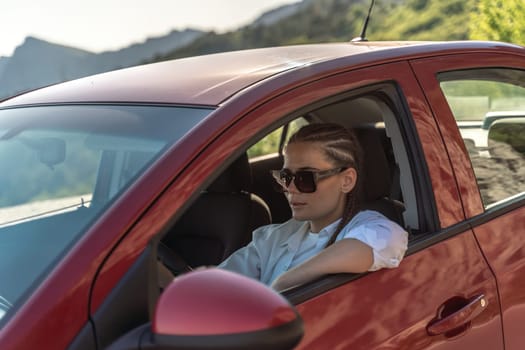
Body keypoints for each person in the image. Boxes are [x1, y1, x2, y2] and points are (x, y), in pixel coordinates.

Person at [218, 123, 408, 291]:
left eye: (306, 178)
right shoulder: (272, 238)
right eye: (285, 177)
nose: (290, 188)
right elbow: (215, 286)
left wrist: (283, 284)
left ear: (347, 180)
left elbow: (386, 239)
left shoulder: (369, 226)